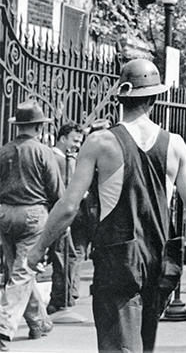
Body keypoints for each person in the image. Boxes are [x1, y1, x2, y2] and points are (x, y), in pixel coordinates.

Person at [27, 59, 186, 353]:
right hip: (159, 259)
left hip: (118, 259)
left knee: (119, 347)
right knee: (142, 344)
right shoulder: (176, 144)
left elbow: (69, 205)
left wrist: (39, 248)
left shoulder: (100, 142)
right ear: (155, 98)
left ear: (121, 97)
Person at [0, 100, 62, 350]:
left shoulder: (4, 151)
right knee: (23, 272)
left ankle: (38, 321)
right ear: (38, 127)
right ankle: (4, 328)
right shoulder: (43, 152)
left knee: (17, 272)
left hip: (5, 213)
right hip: (34, 213)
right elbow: (57, 191)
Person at [47, 122, 83, 315]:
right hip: (59, 216)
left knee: (66, 256)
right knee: (64, 257)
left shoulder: (58, 157)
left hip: (57, 214)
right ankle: (60, 299)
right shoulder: (60, 160)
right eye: (74, 140)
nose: (77, 145)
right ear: (62, 139)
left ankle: (63, 297)